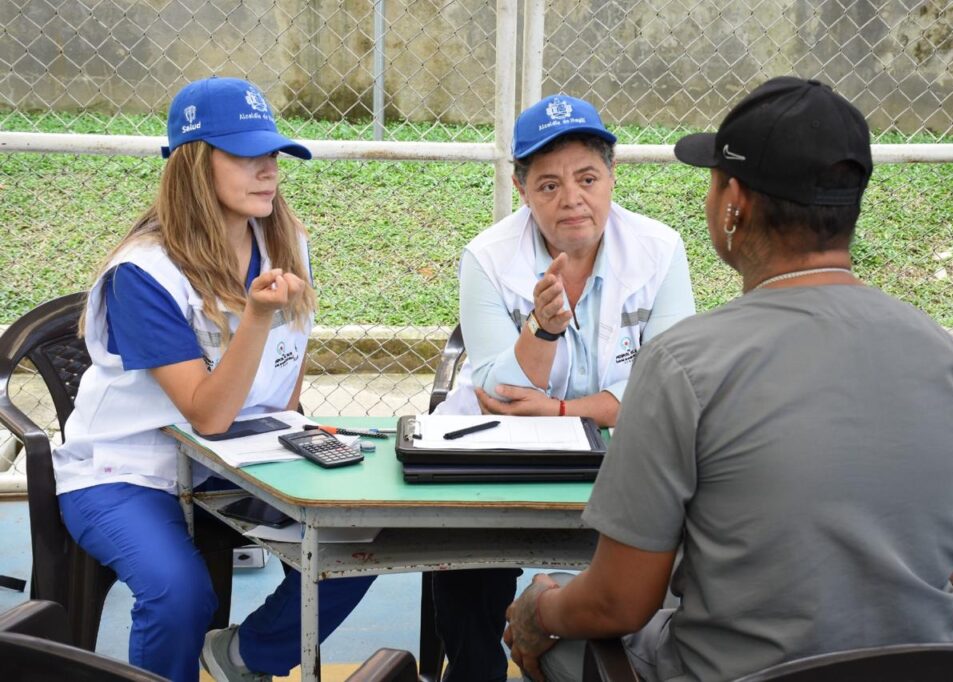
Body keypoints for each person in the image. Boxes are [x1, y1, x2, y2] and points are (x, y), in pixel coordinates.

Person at [503, 77, 953, 682]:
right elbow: (946, 560)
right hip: (919, 670)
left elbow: (618, 602)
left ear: (733, 203)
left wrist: (538, 606)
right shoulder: (950, 362)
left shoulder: (685, 365)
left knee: (556, 639)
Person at [51, 76, 375, 682]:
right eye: (246, 154)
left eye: (273, 152)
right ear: (196, 164)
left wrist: (294, 437)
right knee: (180, 596)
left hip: (238, 456)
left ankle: (241, 657)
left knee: (358, 545)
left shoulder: (282, 239)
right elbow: (207, 415)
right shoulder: (143, 273)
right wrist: (256, 316)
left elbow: (288, 363)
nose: (268, 168)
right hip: (126, 469)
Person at [432, 94, 696, 681]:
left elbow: (671, 385)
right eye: (548, 185)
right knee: (463, 539)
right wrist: (542, 329)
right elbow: (496, 390)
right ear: (521, 188)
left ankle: (619, 654)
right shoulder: (488, 256)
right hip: (504, 448)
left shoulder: (659, 249)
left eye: (587, 178)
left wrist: (560, 408)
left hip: (624, 454)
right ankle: (473, 668)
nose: (571, 199)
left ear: (612, 177)